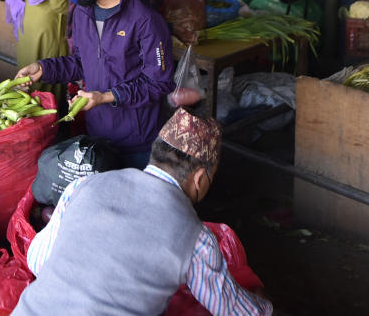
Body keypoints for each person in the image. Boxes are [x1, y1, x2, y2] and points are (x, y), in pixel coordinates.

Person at [15, 109, 271, 316]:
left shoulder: (84, 185)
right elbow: (232, 309)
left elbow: (37, 260)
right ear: (200, 178)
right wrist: (263, 306)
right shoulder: (197, 238)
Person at [17, 0, 174, 168]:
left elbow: (158, 83)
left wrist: (105, 96)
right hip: (98, 132)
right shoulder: (83, 12)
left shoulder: (145, 21)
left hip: (137, 138)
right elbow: (82, 62)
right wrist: (44, 69)